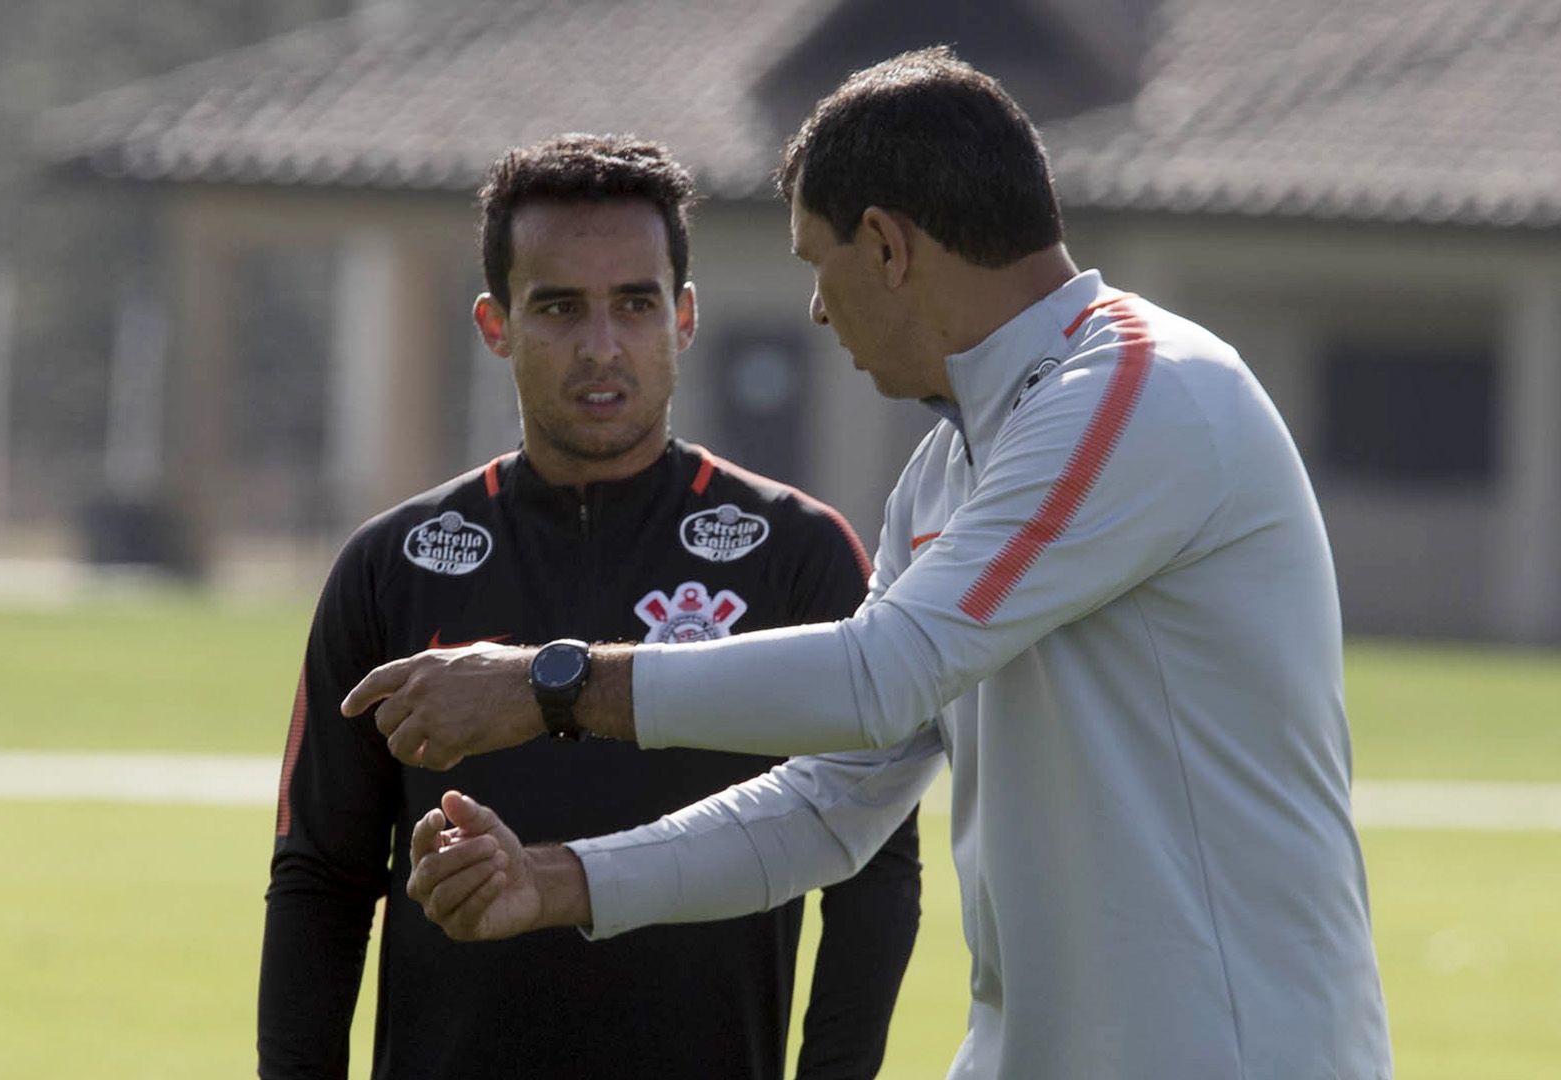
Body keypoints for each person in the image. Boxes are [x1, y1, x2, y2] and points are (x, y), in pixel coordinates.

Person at [351, 49, 1393, 1080]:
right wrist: (557, 880)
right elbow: (831, 802)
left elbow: (879, 674)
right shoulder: (949, 468)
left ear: (887, 247)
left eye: (818, 260)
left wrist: (551, 686)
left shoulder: (1144, 387)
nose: (817, 306)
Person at [259, 134, 922, 1080]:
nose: (602, 346)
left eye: (636, 304)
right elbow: (321, 875)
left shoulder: (798, 554)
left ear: (684, 318)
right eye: (560, 307)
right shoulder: (391, 565)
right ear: (496, 324)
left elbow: (874, 869)